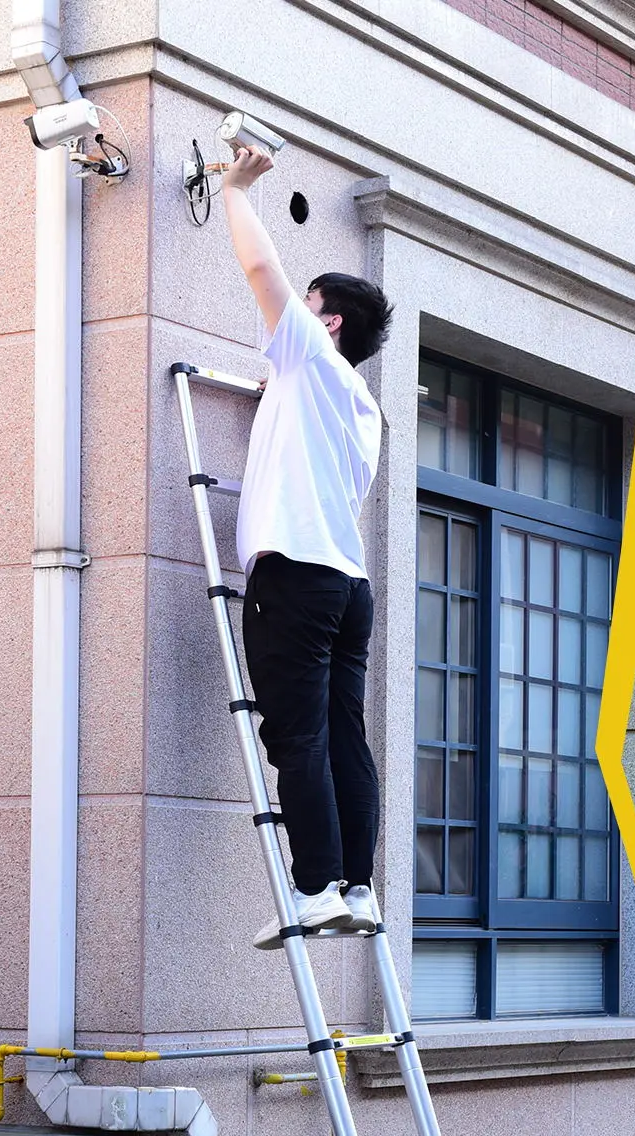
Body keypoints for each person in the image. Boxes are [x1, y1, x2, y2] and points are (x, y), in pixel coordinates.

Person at [218, 142, 394, 949]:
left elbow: (261, 272)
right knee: (342, 734)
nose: (287, 312)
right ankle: (357, 886)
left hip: (295, 576)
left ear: (326, 323)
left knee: (298, 735)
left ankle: (316, 884)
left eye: (305, 303)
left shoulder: (312, 360)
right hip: (348, 586)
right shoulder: (356, 400)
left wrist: (235, 187)